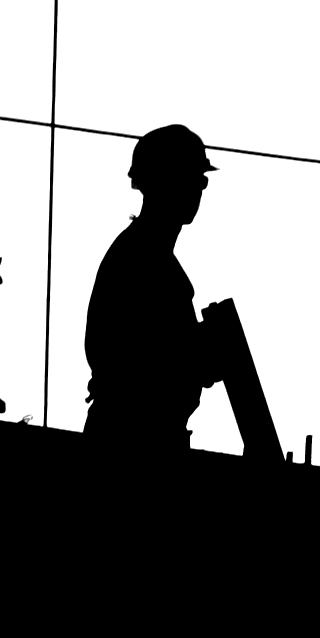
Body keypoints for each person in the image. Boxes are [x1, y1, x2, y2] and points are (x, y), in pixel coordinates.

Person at [83, 121, 234, 457]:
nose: (196, 189)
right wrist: (200, 356)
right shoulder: (140, 259)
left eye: (201, 181)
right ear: (158, 182)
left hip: (147, 436)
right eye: (189, 178)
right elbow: (137, 359)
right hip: (133, 441)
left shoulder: (149, 256)